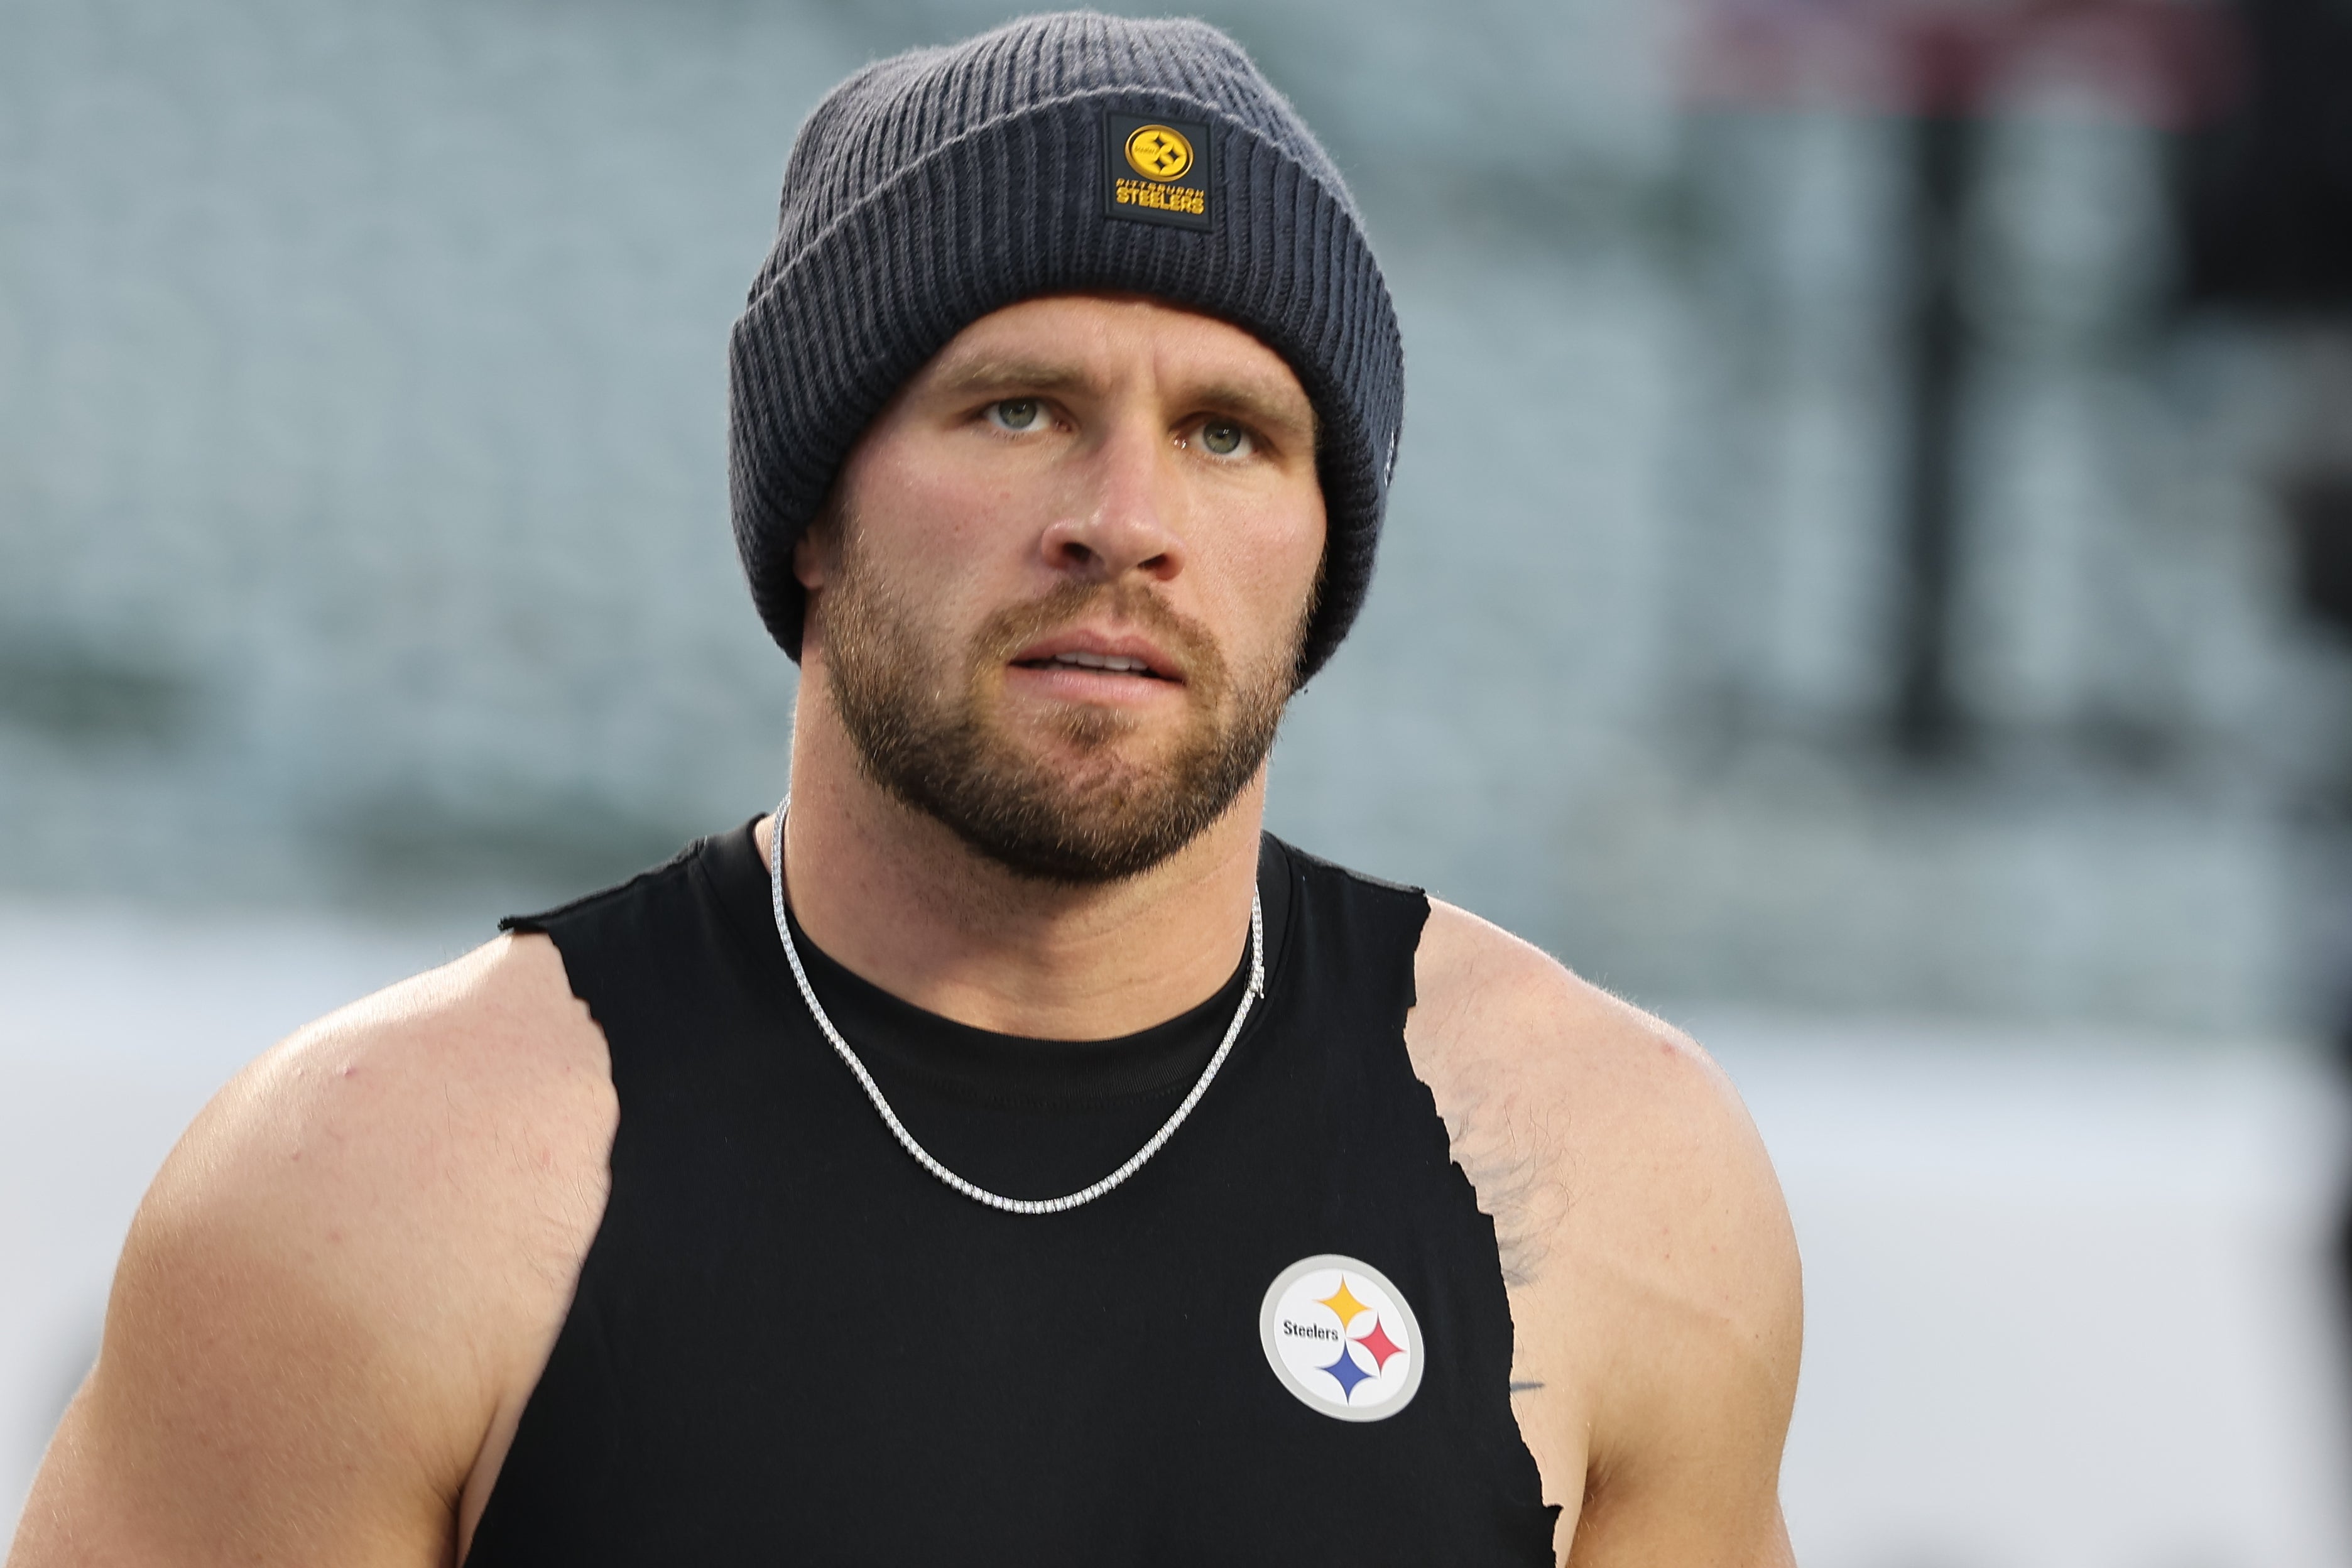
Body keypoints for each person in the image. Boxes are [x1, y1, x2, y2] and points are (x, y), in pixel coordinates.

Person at [6, 14, 1800, 1565]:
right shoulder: (377, 1187)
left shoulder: (1602, 1173)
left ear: (1327, 550)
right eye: (1017, 409)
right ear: (810, 506)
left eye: (1230, 433)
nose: (1128, 519)